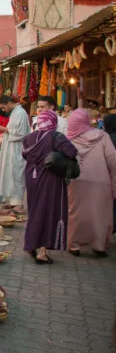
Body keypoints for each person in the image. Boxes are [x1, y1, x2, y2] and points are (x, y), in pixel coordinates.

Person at [22, 110, 78, 264]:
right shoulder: (56, 137)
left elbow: (24, 155)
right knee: (48, 213)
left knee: (35, 211)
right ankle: (42, 252)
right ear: (54, 122)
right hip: (50, 179)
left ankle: (31, 245)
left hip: (32, 177)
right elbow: (72, 152)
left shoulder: (29, 138)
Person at [66, 109, 116, 257]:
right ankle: (99, 245)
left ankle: (74, 245)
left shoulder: (68, 138)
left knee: (75, 213)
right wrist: (113, 177)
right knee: (100, 213)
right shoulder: (102, 136)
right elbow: (112, 159)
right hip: (100, 180)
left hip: (75, 180)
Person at [0, 95, 30, 211]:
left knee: (17, 175)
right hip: (11, 148)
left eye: (3, 107)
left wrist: (3, 129)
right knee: (11, 174)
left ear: (9, 103)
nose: (3, 110)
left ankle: (18, 204)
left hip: (17, 148)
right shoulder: (15, 113)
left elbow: (20, 133)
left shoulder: (20, 113)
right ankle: (13, 202)